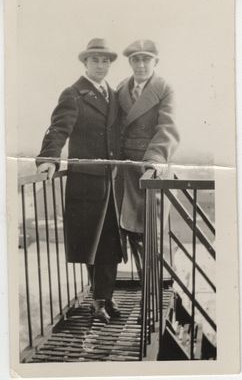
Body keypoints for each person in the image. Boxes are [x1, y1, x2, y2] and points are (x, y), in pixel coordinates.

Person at [36, 38, 127, 324]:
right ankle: (99, 300)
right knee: (93, 244)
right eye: (95, 60)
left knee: (110, 244)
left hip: (111, 183)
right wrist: (49, 160)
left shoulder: (113, 94)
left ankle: (104, 298)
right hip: (87, 183)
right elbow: (58, 130)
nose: (101, 65)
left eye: (105, 61)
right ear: (85, 62)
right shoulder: (73, 94)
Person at [117, 39, 180, 281]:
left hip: (152, 167)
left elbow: (168, 128)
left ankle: (155, 284)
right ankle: (146, 281)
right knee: (130, 229)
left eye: (146, 59)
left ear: (156, 62)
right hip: (126, 169)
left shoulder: (164, 88)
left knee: (151, 230)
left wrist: (154, 160)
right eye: (135, 59)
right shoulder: (122, 88)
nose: (141, 65)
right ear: (130, 62)